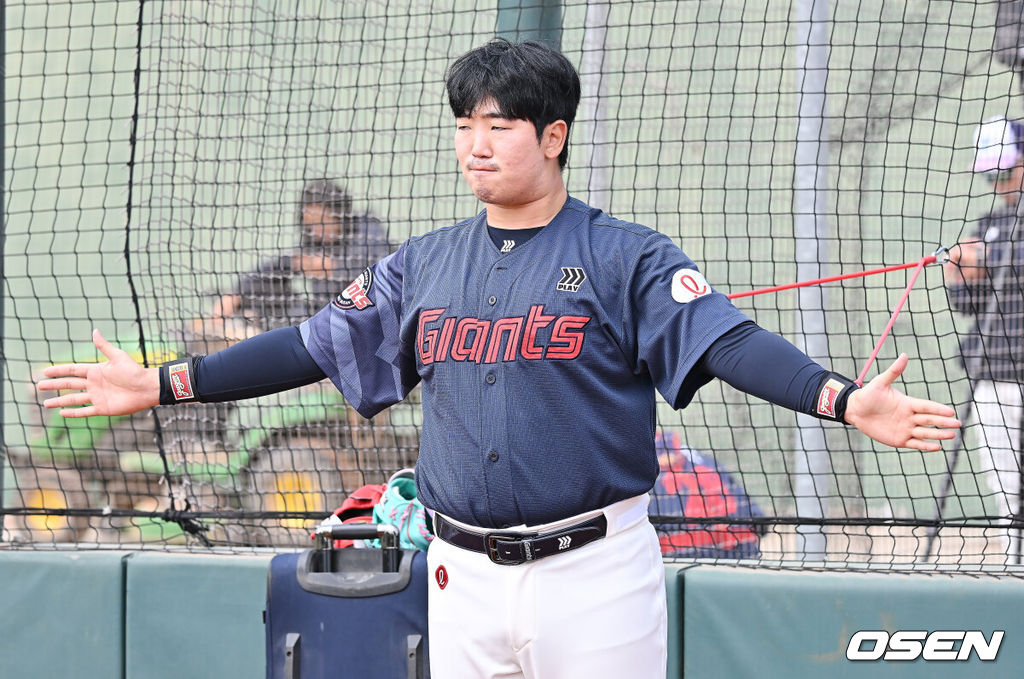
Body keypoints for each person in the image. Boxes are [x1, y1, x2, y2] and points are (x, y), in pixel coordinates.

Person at [39, 39, 960, 679]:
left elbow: (727, 341)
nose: (477, 142)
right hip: (460, 572)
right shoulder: (425, 261)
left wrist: (843, 400)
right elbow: (312, 346)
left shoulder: (625, 254)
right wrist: (163, 383)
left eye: (501, 124)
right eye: (465, 123)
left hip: (593, 571)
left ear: (552, 136)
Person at [944, 114, 1024, 560]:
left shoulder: (998, 237)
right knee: (1006, 491)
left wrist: (989, 258)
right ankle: (1017, 571)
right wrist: (961, 275)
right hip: (994, 376)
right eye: (991, 175)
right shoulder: (990, 221)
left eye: (1005, 172)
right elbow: (969, 306)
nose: (998, 183)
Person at [189, 179, 393, 350]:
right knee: (267, 290)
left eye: (322, 222)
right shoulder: (312, 243)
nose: (316, 231)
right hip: (324, 319)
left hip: (367, 323)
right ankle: (245, 321)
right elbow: (277, 268)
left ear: (339, 214)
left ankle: (253, 324)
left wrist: (335, 268)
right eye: (310, 225)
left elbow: (379, 275)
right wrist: (235, 294)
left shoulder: (367, 230)